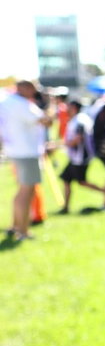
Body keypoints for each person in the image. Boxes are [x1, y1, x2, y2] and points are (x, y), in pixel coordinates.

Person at [1, 79, 49, 240]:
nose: (35, 92)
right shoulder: (21, 104)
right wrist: (49, 107)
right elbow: (45, 121)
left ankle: (15, 226)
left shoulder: (9, 101)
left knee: (22, 190)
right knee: (26, 191)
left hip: (16, 150)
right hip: (27, 152)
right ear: (25, 87)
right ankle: (22, 231)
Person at [58, 98, 105, 213]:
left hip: (81, 157)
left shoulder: (80, 120)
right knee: (66, 179)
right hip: (75, 157)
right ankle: (65, 207)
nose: (66, 109)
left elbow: (78, 138)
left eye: (68, 106)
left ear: (74, 108)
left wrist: (62, 144)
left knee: (82, 182)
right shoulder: (76, 119)